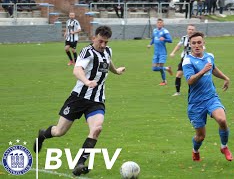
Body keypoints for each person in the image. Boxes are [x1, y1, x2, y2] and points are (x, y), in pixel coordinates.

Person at [33, 25, 126, 176]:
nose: (103, 45)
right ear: (94, 38)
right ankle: (43, 134)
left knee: (96, 129)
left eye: (106, 42)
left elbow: (107, 63)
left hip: (97, 100)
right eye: (100, 41)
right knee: (59, 131)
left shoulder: (107, 51)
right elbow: (77, 70)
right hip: (78, 98)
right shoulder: (86, 52)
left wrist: (117, 71)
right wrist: (87, 81)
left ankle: (80, 163)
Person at [182, 31, 233, 162]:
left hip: (211, 98)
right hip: (196, 103)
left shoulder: (209, 56)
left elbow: (213, 69)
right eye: (194, 43)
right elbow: (190, 80)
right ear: (190, 45)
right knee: (200, 136)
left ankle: (224, 147)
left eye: (199, 42)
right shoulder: (187, 61)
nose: (197, 45)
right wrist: (202, 71)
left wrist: (225, 78)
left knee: (222, 120)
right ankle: (195, 150)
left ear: (204, 43)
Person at [169, 24, 196, 96]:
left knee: (192, 77)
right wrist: (173, 52)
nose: (191, 31)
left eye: (192, 29)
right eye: (189, 29)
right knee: (178, 75)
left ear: (194, 31)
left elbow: (202, 48)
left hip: (193, 60)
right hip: (184, 59)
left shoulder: (197, 39)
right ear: (187, 30)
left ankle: (194, 92)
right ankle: (177, 92)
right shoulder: (184, 38)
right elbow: (178, 46)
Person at [147, 18, 173, 86]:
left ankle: (164, 81)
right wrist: (150, 44)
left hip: (162, 53)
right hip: (156, 53)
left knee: (160, 67)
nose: (159, 24)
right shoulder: (155, 30)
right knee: (154, 68)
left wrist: (164, 39)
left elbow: (170, 40)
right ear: (156, 24)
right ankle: (167, 68)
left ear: (163, 24)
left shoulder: (165, 31)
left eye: (161, 22)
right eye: (158, 22)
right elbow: (153, 38)